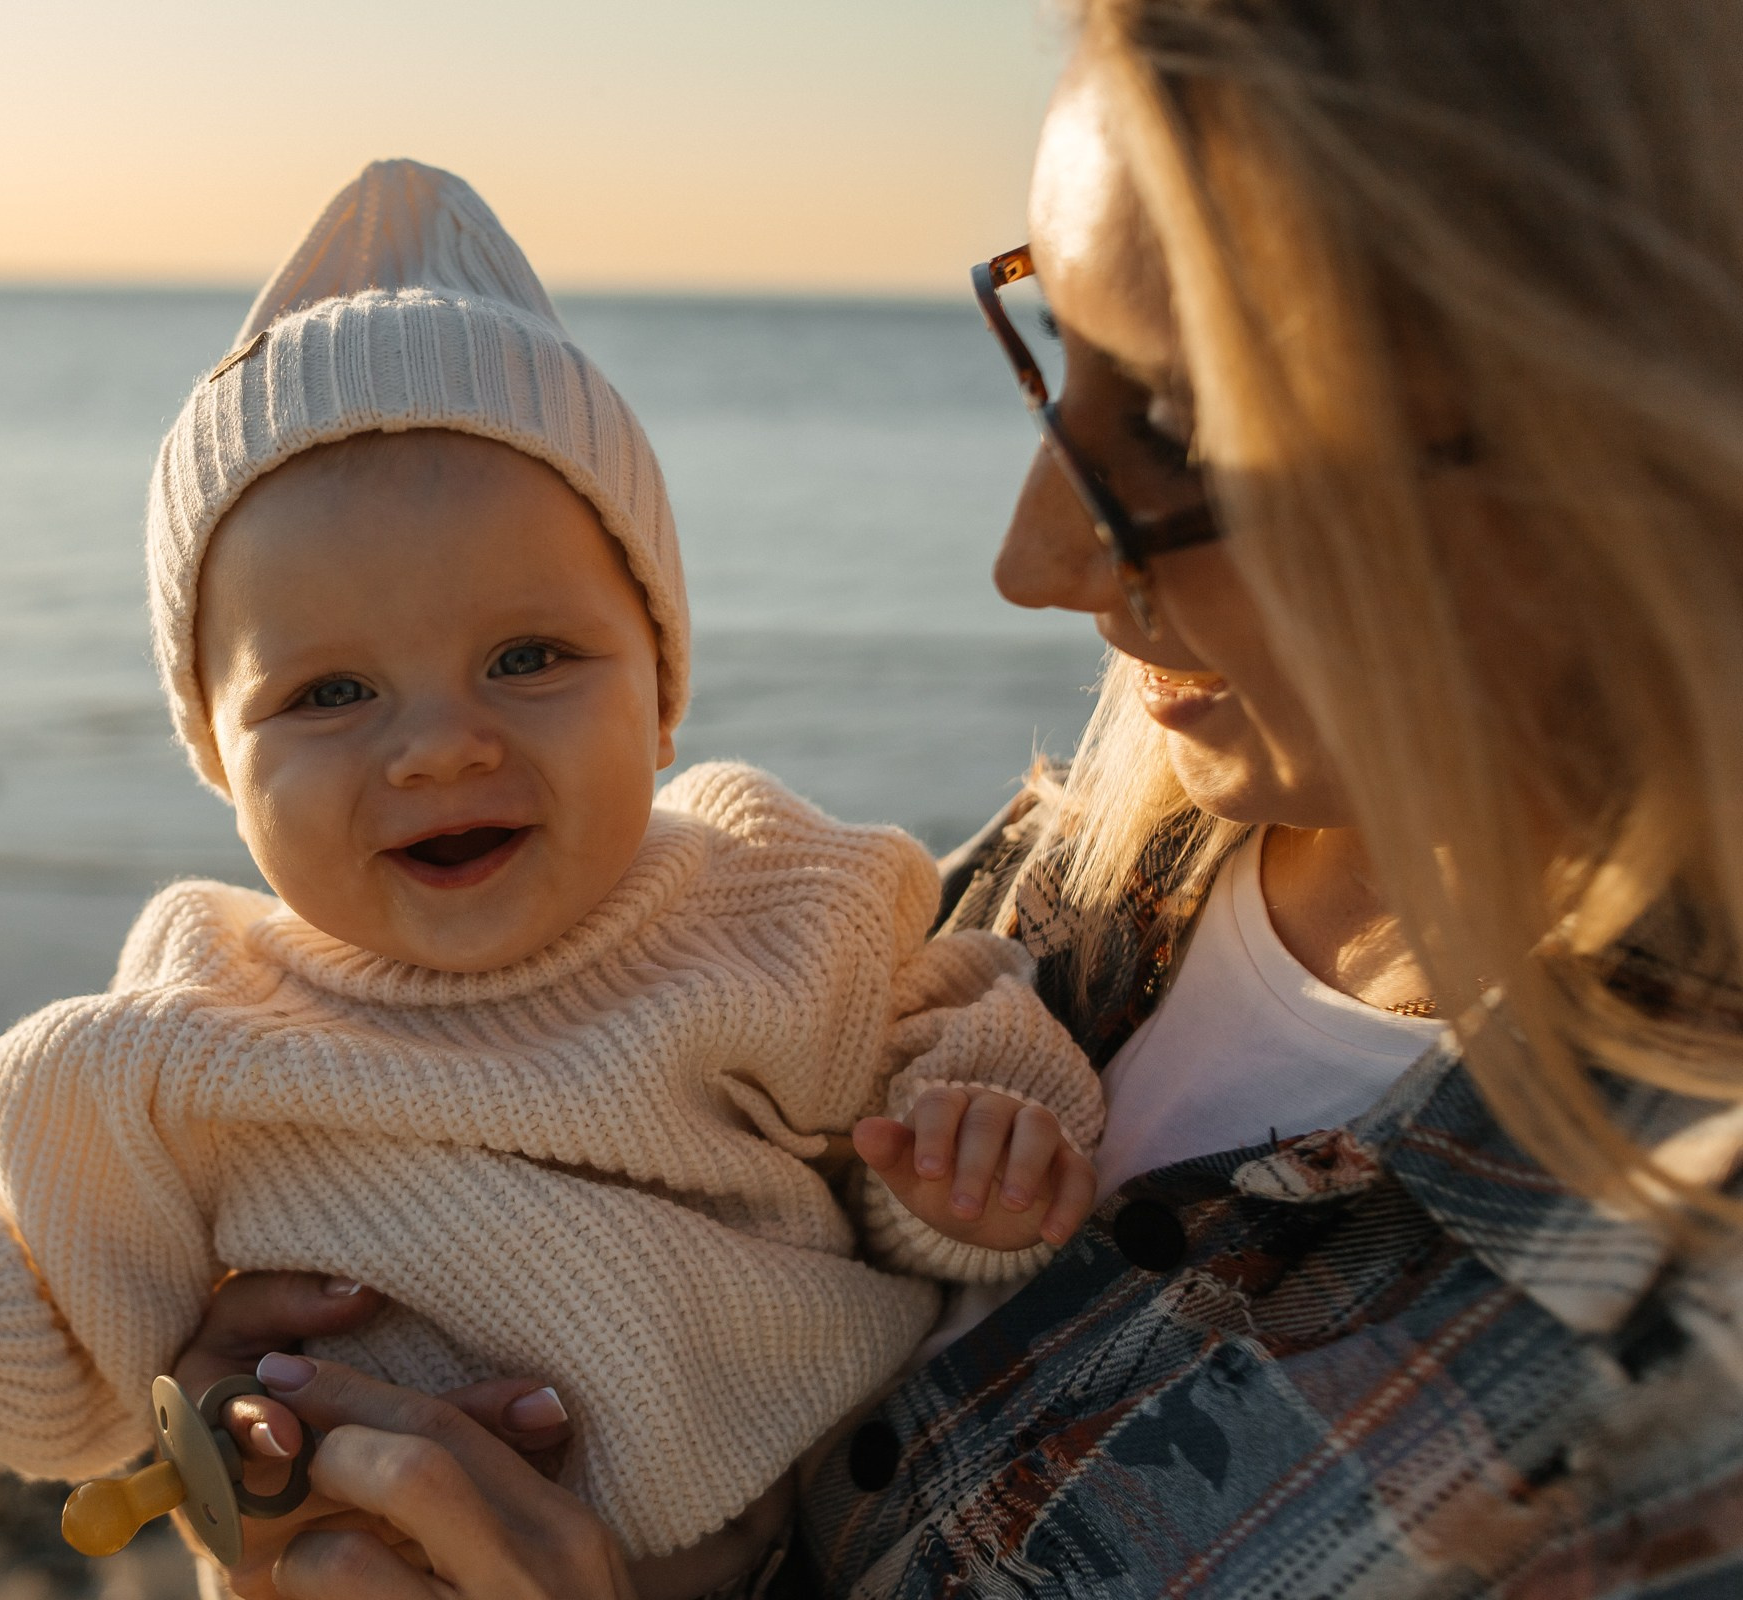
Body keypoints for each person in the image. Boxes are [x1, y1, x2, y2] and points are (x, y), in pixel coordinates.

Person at [176, 4, 1743, 1595]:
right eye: (1051, 349)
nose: (1031, 563)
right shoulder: (1074, 878)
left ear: (1632, 410)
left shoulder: (1682, 1416)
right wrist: (309, 1478)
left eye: (1187, 419)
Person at [0, 160, 1110, 1592]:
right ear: (218, 758)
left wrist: (970, 1166)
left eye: (529, 659)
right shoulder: (193, 1032)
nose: (441, 749)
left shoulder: (769, 901)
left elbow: (937, 1061)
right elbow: (55, 1307)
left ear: (662, 690)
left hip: (814, 1543)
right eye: (330, 695)